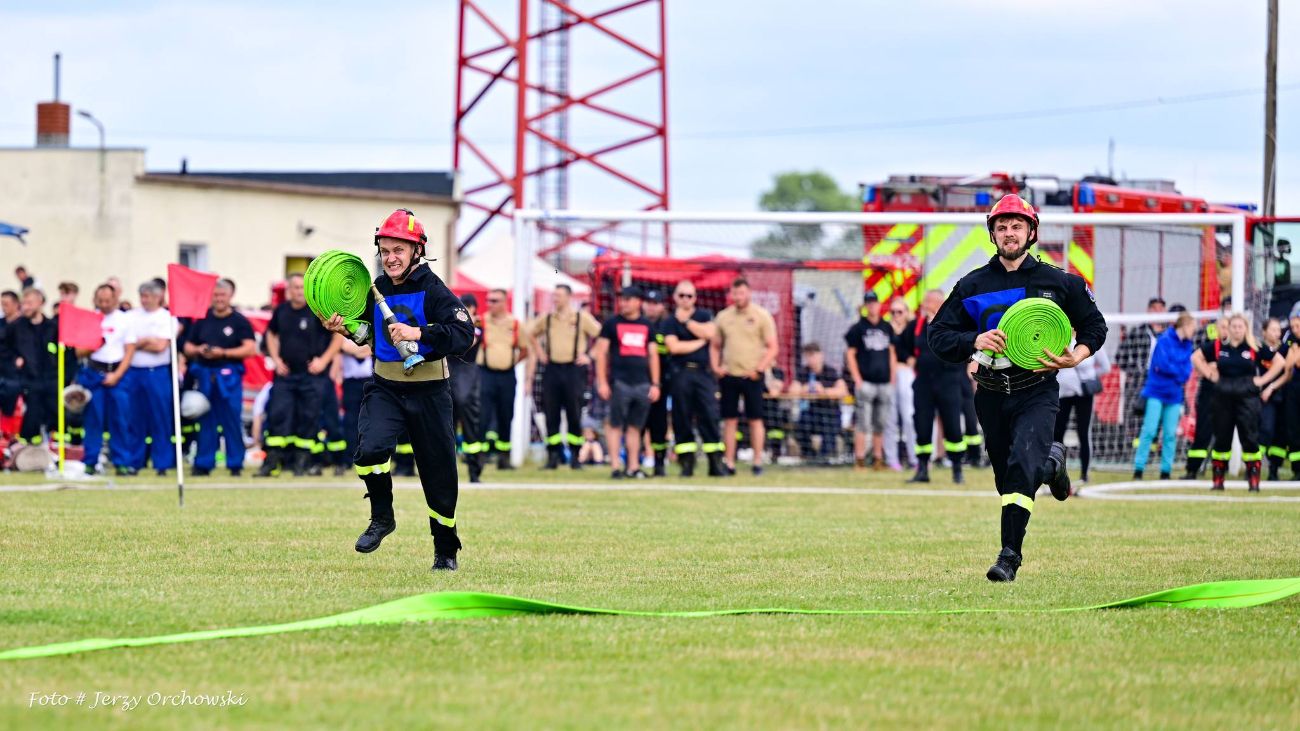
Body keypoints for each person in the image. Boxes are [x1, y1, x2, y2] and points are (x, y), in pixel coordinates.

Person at [929, 194, 1107, 583]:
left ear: (1031, 232)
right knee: (1009, 479)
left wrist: (1077, 355)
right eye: (1002, 227)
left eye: (1016, 226)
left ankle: (1009, 557)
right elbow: (938, 336)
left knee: (1021, 469)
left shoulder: (1059, 282)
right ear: (992, 234)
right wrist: (974, 340)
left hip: (1037, 390)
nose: (1009, 233)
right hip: (990, 394)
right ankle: (1052, 462)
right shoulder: (971, 285)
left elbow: (1095, 326)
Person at [322, 208, 475, 571]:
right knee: (369, 451)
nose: (390, 258)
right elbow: (370, 337)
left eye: (398, 250)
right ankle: (382, 518)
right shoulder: (374, 290)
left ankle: (445, 551)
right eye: (385, 251)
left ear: (416, 251)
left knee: (439, 478)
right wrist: (342, 328)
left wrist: (419, 333)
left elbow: (464, 335)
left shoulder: (435, 290)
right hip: (385, 387)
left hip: (430, 392)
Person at [1191, 313, 1284, 492]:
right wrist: (1210, 374)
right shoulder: (1218, 346)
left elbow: (1279, 361)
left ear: (1245, 328)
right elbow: (1196, 357)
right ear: (1228, 328)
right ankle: (1218, 480)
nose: (1236, 330)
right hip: (1222, 396)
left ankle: (1253, 481)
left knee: (1249, 439)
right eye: (1233, 326)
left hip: (1247, 397)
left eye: (1240, 327)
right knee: (1222, 439)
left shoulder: (1254, 347)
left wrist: (1262, 381)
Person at [260, 273, 341, 477]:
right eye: (294, 287)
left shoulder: (319, 310)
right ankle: (273, 462)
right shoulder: (282, 311)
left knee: (309, 418)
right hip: (286, 373)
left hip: (312, 374)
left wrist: (323, 361)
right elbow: (271, 334)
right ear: (288, 290)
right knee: (278, 414)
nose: (298, 291)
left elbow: (338, 336)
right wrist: (276, 360)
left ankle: (303, 462)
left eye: (301, 287)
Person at [182, 279, 256, 477]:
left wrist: (223, 353)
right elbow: (187, 347)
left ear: (230, 296)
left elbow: (249, 348)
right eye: (215, 295)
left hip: (228, 377)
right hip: (205, 376)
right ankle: (204, 463)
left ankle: (235, 463)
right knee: (206, 421)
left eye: (222, 295)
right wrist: (200, 350)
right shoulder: (203, 320)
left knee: (231, 421)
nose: (219, 299)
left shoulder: (239, 321)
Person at [528, 284, 600, 470]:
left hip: (574, 370)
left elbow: (601, 335)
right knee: (551, 412)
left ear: (569, 297)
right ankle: (553, 455)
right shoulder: (547, 318)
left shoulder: (580, 317)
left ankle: (576, 456)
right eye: (554, 296)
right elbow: (531, 334)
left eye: (559, 296)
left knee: (574, 412)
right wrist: (540, 352)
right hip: (552, 369)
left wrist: (589, 356)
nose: (555, 299)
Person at [898, 288, 966, 484]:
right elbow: (901, 345)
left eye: (929, 301)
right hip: (924, 383)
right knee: (922, 424)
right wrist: (909, 358)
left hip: (949, 382)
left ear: (939, 304)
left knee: (953, 426)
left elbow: (964, 345)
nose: (924, 304)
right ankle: (922, 470)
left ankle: (957, 469)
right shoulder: (917, 326)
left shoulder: (953, 324)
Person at [592, 285, 661, 479]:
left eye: (628, 299)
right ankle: (615, 466)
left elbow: (653, 355)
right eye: (622, 299)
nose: (624, 303)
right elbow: (601, 353)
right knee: (615, 425)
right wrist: (602, 382)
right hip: (619, 383)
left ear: (638, 302)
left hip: (642, 384)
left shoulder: (647, 325)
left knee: (635, 427)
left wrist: (655, 384)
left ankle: (633, 466)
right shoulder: (611, 324)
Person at [713, 276, 779, 476]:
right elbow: (715, 345)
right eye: (735, 293)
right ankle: (729, 463)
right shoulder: (724, 317)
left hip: (753, 376)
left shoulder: (761, 315)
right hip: (730, 375)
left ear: (749, 293)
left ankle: (757, 462)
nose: (738, 297)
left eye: (741, 293)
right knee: (729, 420)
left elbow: (772, 347)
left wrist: (759, 368)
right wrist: (716, 367)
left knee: (755, 419)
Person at [662, 279, 725, 477]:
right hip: (680, 373)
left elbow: (712, 333)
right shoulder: (669, 322)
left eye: (689, 295)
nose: (685, 299)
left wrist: (687, 322)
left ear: (695, 298)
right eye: (681, 295)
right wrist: (700, 341)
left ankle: (715, 463)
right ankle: (686, 463)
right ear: (675, 297)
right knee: (682, 416)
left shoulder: (704, 315)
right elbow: (674, 347)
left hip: (703, 373)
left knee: (710, 414)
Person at [74, 283, 136, 474]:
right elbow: (79, 351)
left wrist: (117, 375)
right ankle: (91, 461)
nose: (104, 304)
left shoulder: (125, 320)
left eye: (108, 301)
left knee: (121, 419)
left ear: (115, 299)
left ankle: (122, 462)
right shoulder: (90, 319)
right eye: (100, 301)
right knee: (94, 419)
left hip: (118, 373)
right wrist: (95, 345)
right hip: (94, 373)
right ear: (95, 300)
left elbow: (130, 351)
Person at [118, 280, 178, 475]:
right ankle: (135, 462)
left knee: (161, 419)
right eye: (142, 296)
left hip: (157, 372)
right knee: (134, 419)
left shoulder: (167, 317)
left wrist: (137, 343)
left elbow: (161, 346)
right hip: (134, 371)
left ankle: (162, 463)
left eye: (149, 296)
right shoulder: (130, 316)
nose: (145, 300)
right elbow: (125, 343)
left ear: (159, 296)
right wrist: (145, 341)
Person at [1133, 312, 1197, 480]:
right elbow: (1162, 365)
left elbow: (1187, 371)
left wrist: (1177, 372)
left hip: (1174, 394)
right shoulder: (1164, 340)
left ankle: (1165, 471)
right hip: (1156, 391)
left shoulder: (1188, 345)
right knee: (1149, 430)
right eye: (1192, 328)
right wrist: (1178, 372)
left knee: (1170, 434)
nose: (1194, 331)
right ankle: (1139, 468)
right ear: (1184, 326)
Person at [844, 291, 897, 470]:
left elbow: (891, 352)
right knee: (863, 422)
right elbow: (850, 354)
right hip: (866, 381)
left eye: (874, 302)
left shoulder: (886, 327)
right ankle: (859, 459)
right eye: (869, 303)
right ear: (865, 306)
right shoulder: (858, 328)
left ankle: (877, 459)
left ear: (879, 305)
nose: (872, 306)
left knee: (880, 422)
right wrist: (857, 379)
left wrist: (892, 377)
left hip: (884, 382)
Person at [477, 288, 529, 470]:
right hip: (485, 374)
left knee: (506, 415)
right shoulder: (481, 321)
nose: (490, 303)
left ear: (504, 302)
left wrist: (512, 362)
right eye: (489, 300)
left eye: (494, 300)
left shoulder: (514, 324)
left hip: (507, 375)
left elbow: (524, 348)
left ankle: (503, 457)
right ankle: (480, 456)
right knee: (482, 415)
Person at [1053, 338, 1111, 488]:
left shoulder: (1089, 339)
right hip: (1062, 394)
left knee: (1083, 432)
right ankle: (1056, 472)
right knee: (1057, 433)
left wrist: (1089, 377)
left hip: (1083, 394)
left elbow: (1105, 367)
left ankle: (1085, 473)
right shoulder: (1059, 339)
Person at [1181, 304, 1231, 479]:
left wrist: (1220, 367)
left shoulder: (1236, 348)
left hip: (1229, 394)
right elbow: (1195, 358)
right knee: (1203, 431)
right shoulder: (1212, 346)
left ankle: (1221, 470)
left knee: (1225, 433)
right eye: (1222, 327)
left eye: (1228, 327)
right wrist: (1209, 371)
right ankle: (1192, 469)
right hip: (1210, 392)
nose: (1225, 330)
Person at [11, 288, 60, 445]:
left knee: (54, 411)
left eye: (30, 303)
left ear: (40, 303)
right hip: (29, 378)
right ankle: (28, 445)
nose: (26, 307)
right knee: (32, 412)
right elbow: (5, 348)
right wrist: (15, 360)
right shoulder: (16, 327)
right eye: (24, 303)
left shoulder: (53, 327)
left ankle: (54, 444)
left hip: (51, 378)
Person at [449, 293, 484, 482]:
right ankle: (447, 473)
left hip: (467, 377)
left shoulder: (476, 328)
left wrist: (465, 324)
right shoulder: (451, 326)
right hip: (449, 376)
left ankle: (474, 471)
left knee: (470, 426)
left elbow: (465, 345)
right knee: (447, 428)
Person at [790, 343, 847, 458]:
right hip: (811, 413)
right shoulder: (803, 372)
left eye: (813, 355)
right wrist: (804, 389)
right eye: (808, 356)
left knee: (829, 427)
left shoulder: (830, 372)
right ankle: (809, 455)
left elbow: (843, 391)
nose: (811, 359)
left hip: (829, 412)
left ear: (821, 355)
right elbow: (792, 390)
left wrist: (824, 391)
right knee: (801, 426)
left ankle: (823, 458)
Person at [643, 289, 673, 476]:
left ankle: (660, 461)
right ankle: (636, 462)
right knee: (638, 423)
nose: (652, 307)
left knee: (659, 423)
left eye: (656, 303)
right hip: (639, 379)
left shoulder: (668, 325)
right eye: (649, 302)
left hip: (663, 381)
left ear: (662, 306)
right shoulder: (639, 323)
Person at [1257, 318, 1290, 481]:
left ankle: (1274, 470)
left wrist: (1272, 387)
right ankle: (1254, 466)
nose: (1276, 333)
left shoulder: (1286, 349)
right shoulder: (1259, 349)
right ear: (1264, 332)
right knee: (1266, 430)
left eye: (1278, 330)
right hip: (1265, 397)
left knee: (1280, 434)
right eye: (1273, 329)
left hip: (1283, 395)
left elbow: (1287, 373)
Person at [888, 297, 917, 469]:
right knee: (890, 418)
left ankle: (915, 458)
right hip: (890, 374)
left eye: (899, 311)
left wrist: (908, 360)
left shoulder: (913, 329)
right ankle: (892, 458)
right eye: (893, 312)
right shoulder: (887, 329)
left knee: (909, 416)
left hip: (907, 374)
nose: (896, 315)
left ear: (906, 313)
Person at [339, 334, 374, 477]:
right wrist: (364, 348)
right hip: (351, 382)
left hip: (370, 380)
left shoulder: (369, 328)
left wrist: (357, 349)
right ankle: (350, 456)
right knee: (350, 421)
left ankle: (370, 456)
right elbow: (342, 345)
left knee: (371, 420)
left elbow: (374, 347)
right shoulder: (343, 329)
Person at [0, 290, 21, 427]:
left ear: (15, 304)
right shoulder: (1, 323)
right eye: (2, 304)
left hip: (15, 371)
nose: (3, 308)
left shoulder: (23, 324)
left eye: (6, 304)